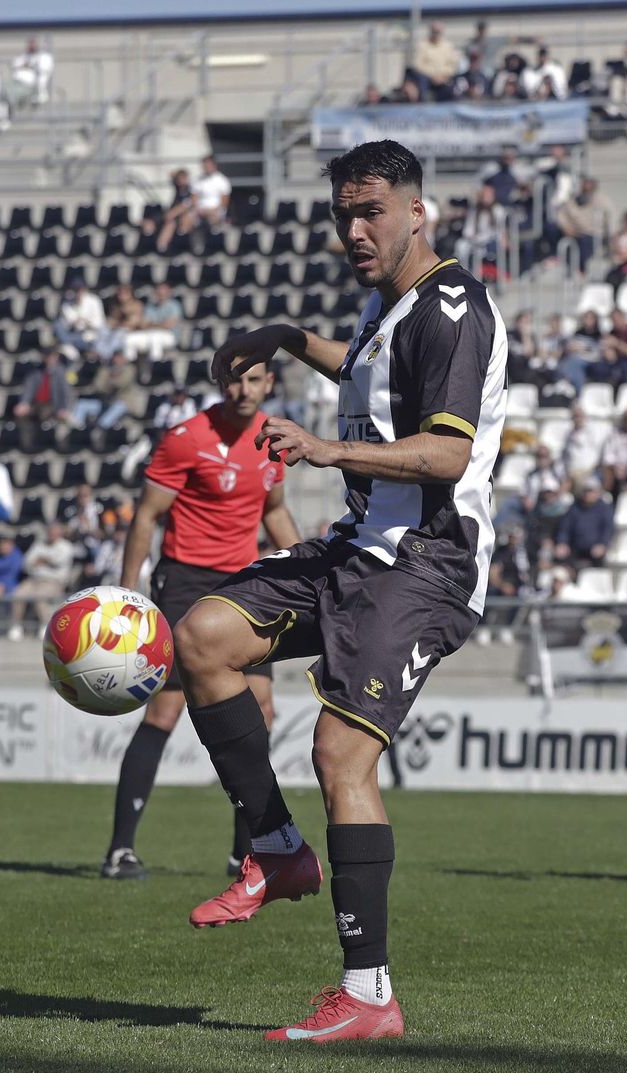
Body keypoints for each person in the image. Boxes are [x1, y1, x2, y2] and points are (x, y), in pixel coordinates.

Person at [186, 141, 505, 1042]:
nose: (354, 230)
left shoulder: (450, 307)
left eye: (371, 212)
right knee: (205, 636)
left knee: (341, 755)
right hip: (358, 548)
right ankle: (280, 851)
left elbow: (446, 453)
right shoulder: (388, 306)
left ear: (417, 211)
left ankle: (369, 995)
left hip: (425, 563)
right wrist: (288, 337)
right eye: (342, 214)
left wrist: (329, 452)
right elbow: (362, 370)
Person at [101, 358, 301, 882]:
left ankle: (246, 855)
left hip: (245, 587)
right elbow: (147, 515)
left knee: (260, 712)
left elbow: (274, 511)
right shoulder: (186, 438)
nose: (244, 389)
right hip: (185, 584)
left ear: (269, 384)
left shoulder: (273, 438)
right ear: (221, 384)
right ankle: (120, 850)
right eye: (235, 380)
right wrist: (128, 592)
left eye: (254, 379)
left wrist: (308, 569)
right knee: (164, 713)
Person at [8, 523, 76, 640]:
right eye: (50, 532)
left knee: (40, 597)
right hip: (33, 579)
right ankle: (16, 626)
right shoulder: (39, 544)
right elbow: (26, 563)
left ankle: (45, 626)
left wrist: (41, 559)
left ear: (59, 533)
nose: (52, 534)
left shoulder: (66, 546)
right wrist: (44, 561)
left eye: (54, 532)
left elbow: (58, 561)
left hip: (53, 581)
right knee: (18, 594)